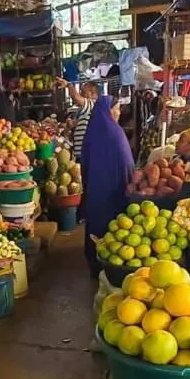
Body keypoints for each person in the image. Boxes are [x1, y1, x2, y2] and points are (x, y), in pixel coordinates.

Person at [81, 96, 133, 276]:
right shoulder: (115, 132)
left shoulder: (93, 131)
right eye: (117, 108)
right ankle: (111, 265)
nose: (119, 112)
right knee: (115, 227)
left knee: (98, 223)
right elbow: (127, 164)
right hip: (116, 189)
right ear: (108, 110)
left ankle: (96, 263)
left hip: (97, 189)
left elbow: (85, 162)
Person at [57, 78, 100, 152]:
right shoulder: (89, 108)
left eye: (83, 92)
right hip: (82, 152)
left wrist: (68, 85)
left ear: (91, 93)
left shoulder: (93, 103)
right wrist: (72, 124)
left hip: (86, 153)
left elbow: (75, 97)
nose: (81, 94)